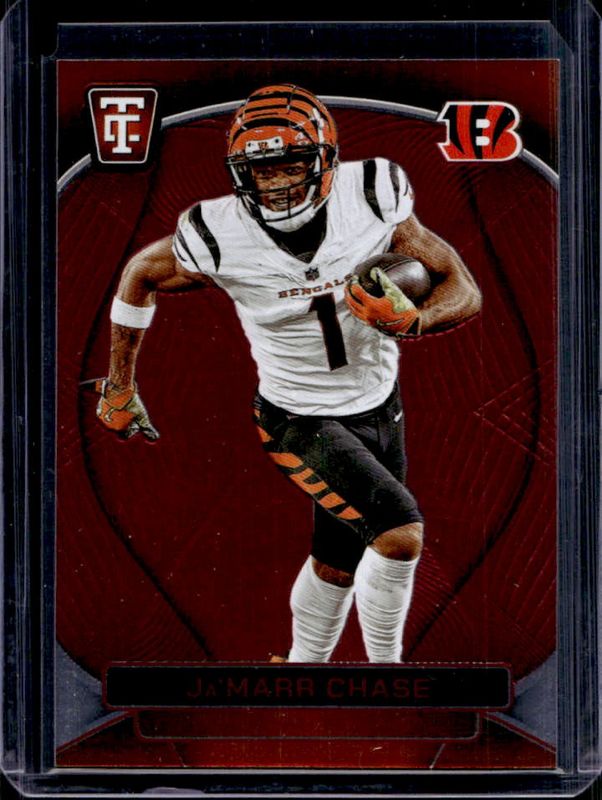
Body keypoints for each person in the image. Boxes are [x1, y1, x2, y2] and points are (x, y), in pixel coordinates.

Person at [96, 84, 481, 663]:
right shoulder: (218, 233)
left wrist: (416, 321)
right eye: (261, 169)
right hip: (297, 416)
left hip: (381, 403)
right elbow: (140, 274)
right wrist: (120, 386)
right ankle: (387, 669)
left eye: (291, 164)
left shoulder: (372, 194)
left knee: (338, 558)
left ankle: (303, 667)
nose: (276, 183)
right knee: (399, 536)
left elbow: (462, 288)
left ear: (325, 159)